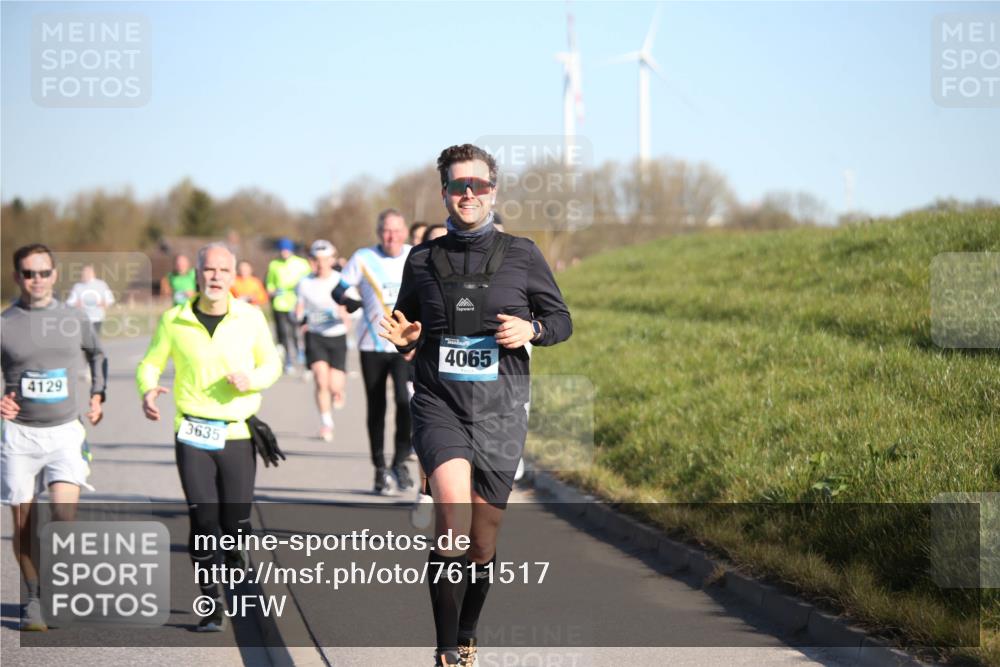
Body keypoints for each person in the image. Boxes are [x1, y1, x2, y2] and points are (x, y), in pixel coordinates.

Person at [379, 144, 572, 667]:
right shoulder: (422, 259)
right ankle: (446, 651)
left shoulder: (523, 254)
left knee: (482, 542)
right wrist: (405, 340)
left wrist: (531, 329)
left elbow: (561, 321)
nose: (469, 193)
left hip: (500, 410)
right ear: (444, 192)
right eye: (458, 185)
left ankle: (467, 633)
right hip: (438, 403)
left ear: (493, 191)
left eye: (478, 185)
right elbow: (406, 325)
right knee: (452, 519)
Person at [137, 243, 281, 632]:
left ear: (233, 276)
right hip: (193, 433)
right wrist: (147, 390)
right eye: (209, 269)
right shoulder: (175, 320)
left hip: (237, 432)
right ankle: (211, 603)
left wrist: (252, 379)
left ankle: (234, 566)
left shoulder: (250, 317)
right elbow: (150, 363)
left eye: (223, 270)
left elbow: (272, 363)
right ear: (197, 274)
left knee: (235, 523)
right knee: (203, 521)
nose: (215, 276)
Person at [1, 244, 107, 632]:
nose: (37, 280)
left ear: (54, 275)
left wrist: (98, 394)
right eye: (29, 273)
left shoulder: (73, 317)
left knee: (64, 519)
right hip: (19, 436)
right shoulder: (5, 323)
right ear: (18, 277)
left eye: (44, 272)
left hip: (65, 432)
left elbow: (98, 355)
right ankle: (34, 597)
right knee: (24, 526)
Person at [332, 209, 415, 496]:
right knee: (376, 407)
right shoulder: (363, 258)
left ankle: (400, 462)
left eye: (396, 230)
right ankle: (380, 468)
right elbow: (337, 290)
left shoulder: (414, 256)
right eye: (386, 231)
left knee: (406, 402)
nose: (391, 236)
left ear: (405, 232)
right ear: (379, 233)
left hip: (404, 346)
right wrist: (348, 301)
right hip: (372, 345)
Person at [295, 240, 350, 442]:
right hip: (315, 335)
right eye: (316, 260)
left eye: (324, 260)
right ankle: (326, 423)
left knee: (334, 385)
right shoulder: (304, 283)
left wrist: (345, 314)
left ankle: (338, 391)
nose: (320, 264)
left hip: (337, 335)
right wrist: (299, 317)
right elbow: (298, 308)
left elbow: (355, 308)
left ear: (332, 260)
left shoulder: (341, 280)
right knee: (320, 380)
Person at [266, 238, 312, 375]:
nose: (284, 253)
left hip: (296, 302)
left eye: (286, 250)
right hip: (280, 303)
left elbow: (310, 280)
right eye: (281, 250)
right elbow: (270, 284)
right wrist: (273, 291)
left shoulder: (302, 263)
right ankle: (288, 360)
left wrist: (302, 291)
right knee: (284, 333)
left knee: (297, 331)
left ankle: (301, 353)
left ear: (291, 250)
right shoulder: (274, 264)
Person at [66, 264, 115, 337]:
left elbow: (110, 300)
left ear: (93, 274)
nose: (85, 275)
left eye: (87, 273)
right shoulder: (78, 286)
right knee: (83, 339)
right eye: (83, 273)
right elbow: (69, 303)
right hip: (82, 318)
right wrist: (76, 304)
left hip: (97, 318)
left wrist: (104, 303)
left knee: (93, 339)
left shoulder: (101, 285)